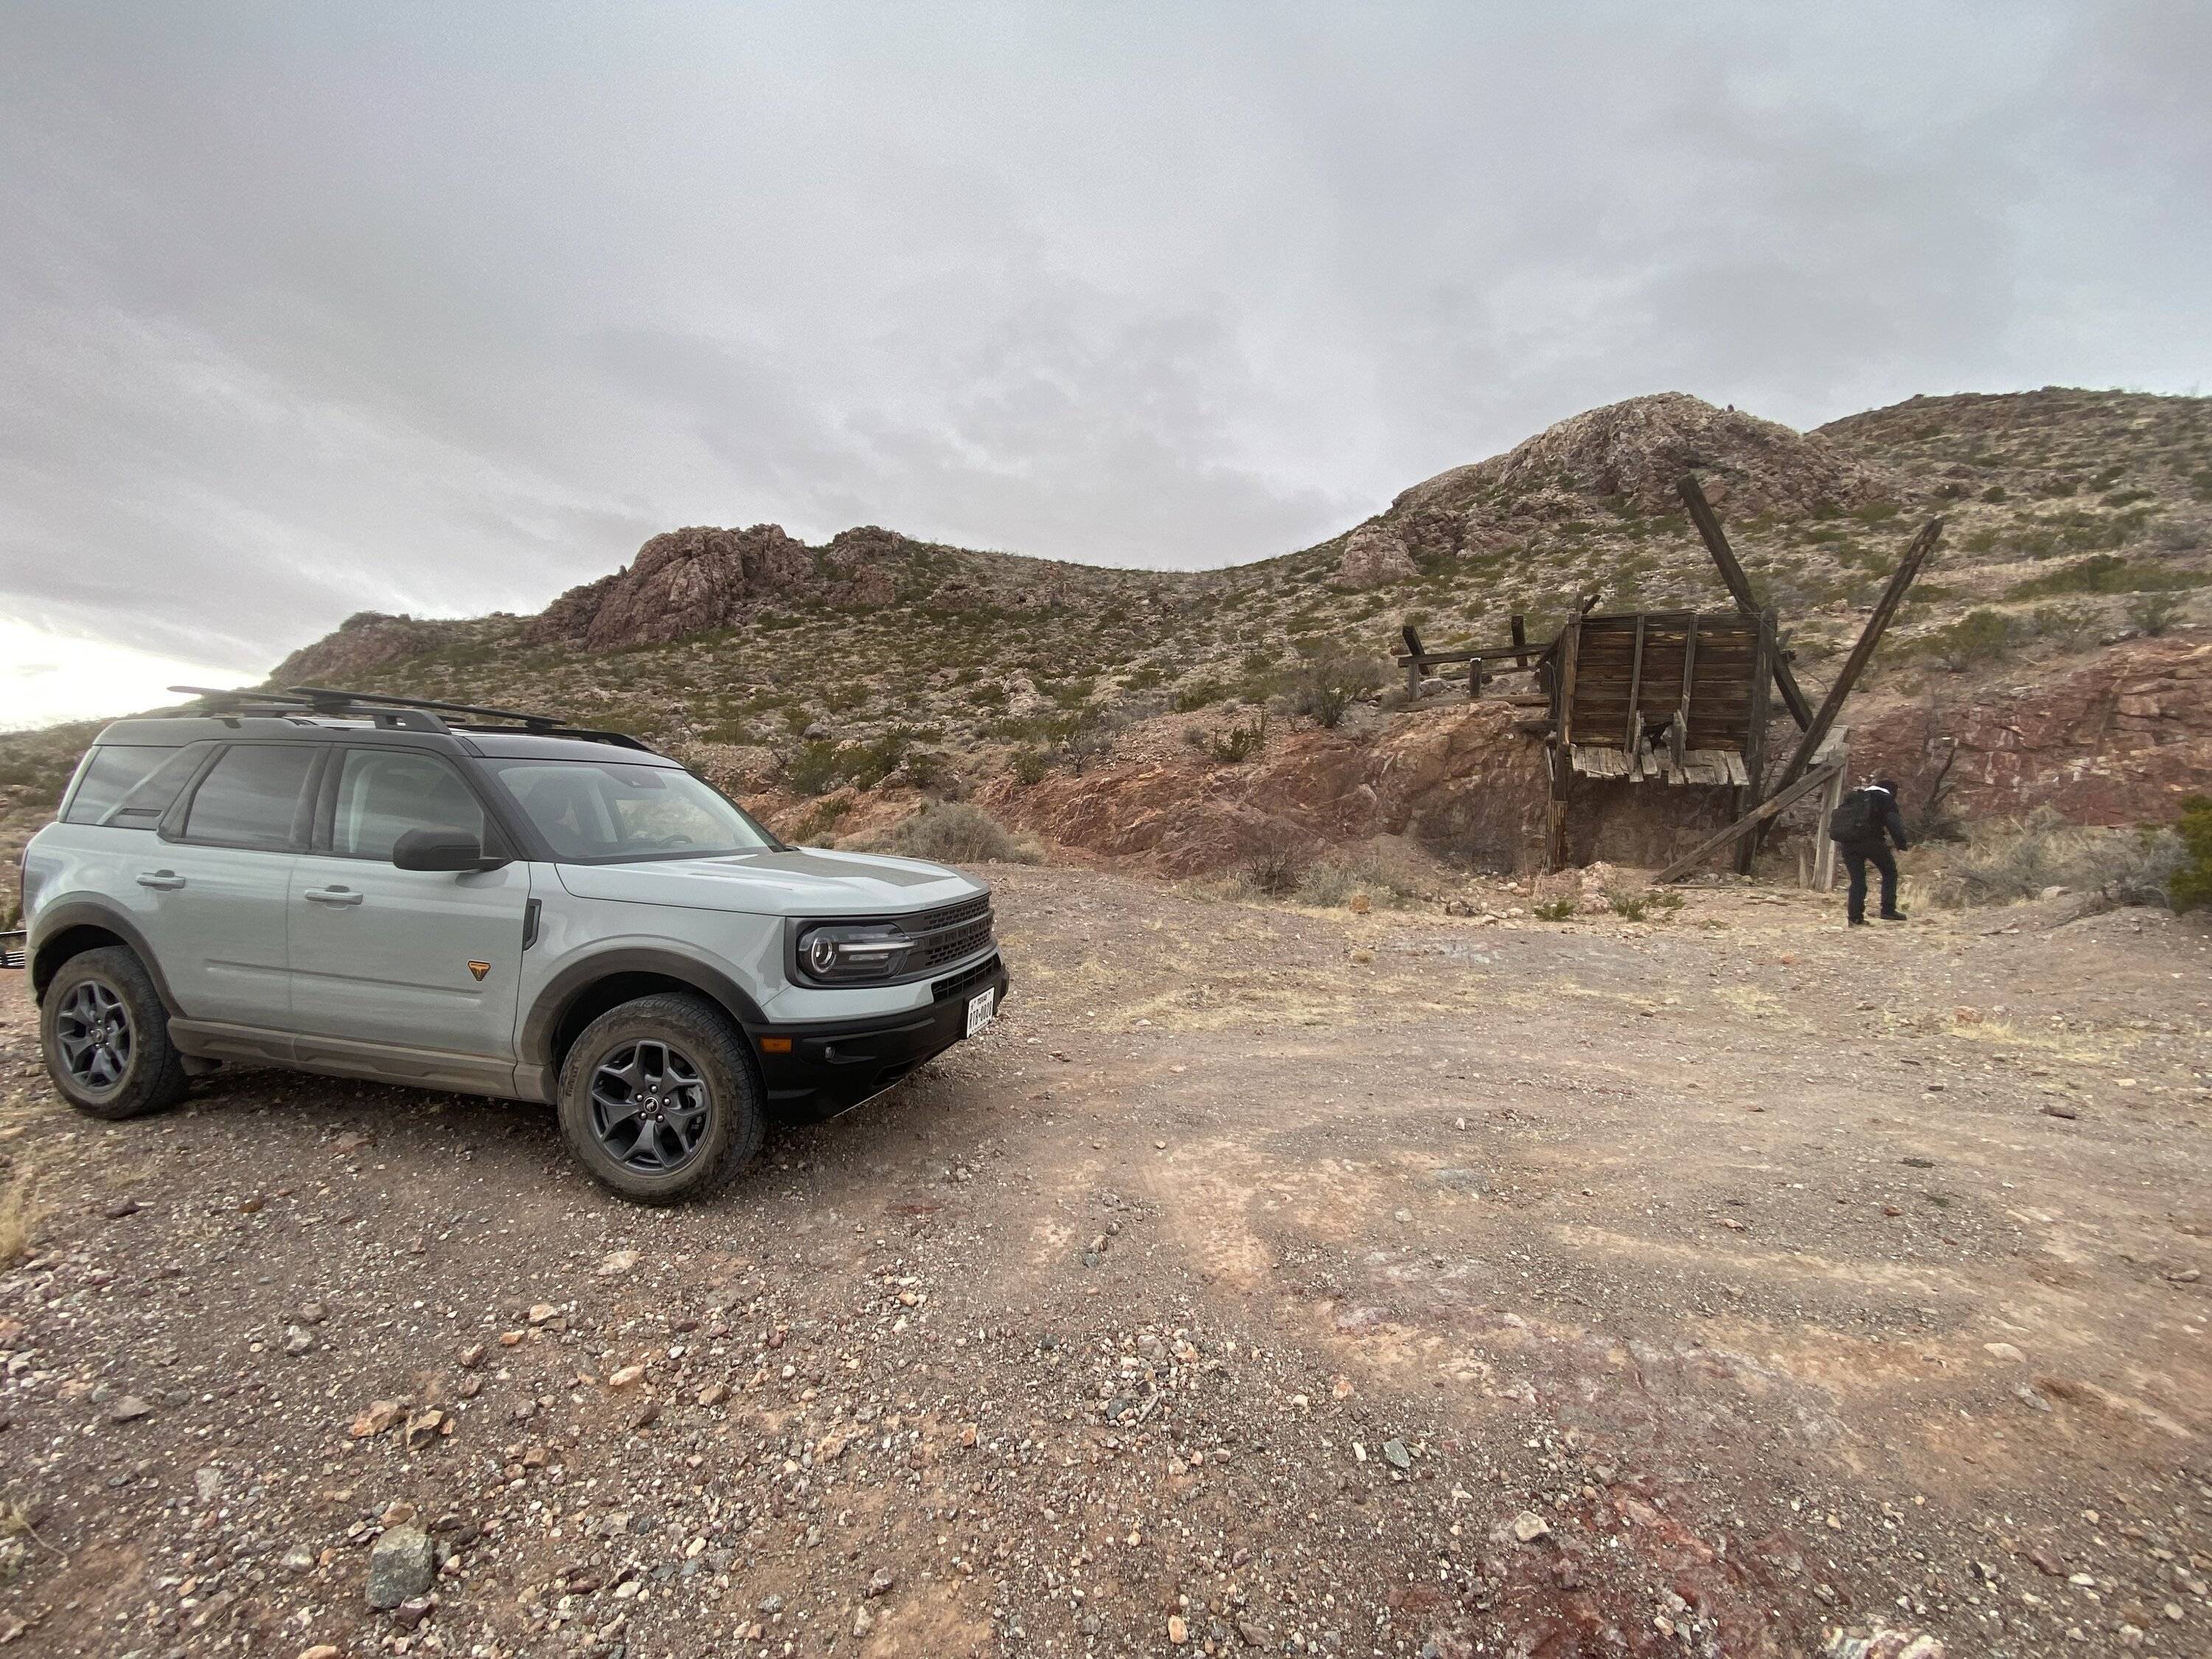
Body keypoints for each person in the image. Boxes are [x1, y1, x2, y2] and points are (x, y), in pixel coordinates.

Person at [1833, 775, 1910, 925]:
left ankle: (1855, 918)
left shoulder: (1857, 797)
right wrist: (1901, 844)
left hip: (1848, 842)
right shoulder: (1885, 798)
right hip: (1872, 842)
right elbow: (1894, 824)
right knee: (1889, 872)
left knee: (1857, 881)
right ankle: (1888, 910)